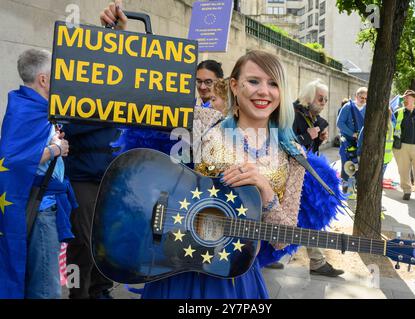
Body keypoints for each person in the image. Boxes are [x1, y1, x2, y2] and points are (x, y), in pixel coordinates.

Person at [100, 3, 344, 299]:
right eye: (253, 81)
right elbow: (147, 98)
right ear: (235, 85)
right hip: (177, 270)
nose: (263, 92)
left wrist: (265, 191)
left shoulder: (293, 156)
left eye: (273, 84)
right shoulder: (204, 121)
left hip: (234, 280)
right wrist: (120, 41)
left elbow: (283, 241)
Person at [0, 49, 76, 298]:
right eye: (56, 76)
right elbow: (14, 159)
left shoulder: (34, 107)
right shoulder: (27, 110)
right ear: (43, 80)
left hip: (45, 205)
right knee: (46, 288)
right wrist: (55, 149)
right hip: (41, 210)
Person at [289, 79, 344, 277]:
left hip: (303, 175)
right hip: (288, 174)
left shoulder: (312, 117)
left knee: (309, 214)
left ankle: (316, 260)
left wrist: (317, 139)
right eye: (321, 98)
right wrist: (307, 136)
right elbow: (285, 143)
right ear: (309, 96)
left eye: (326, 99)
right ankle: (316, 261)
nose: (324, 102)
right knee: (306, 214)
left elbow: (308, 150)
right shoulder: (291, 114)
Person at [63, 124, 121, 298]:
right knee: (82, 243)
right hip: (81, 178)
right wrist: (99, 115)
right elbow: (66, 129)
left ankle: (100, 289)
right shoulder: (76, 100)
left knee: (106, 241)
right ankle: (77, 292)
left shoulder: (123, 101)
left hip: (112, 178)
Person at [336, 87, 367, 194]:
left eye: (365, 98)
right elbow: (339, 123)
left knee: (360, 166)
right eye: (361, 97)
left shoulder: (368, 108)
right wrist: (352, 133)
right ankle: (346, 188)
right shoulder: (348, 107)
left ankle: (356, 187)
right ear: (356, 96)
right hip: (348, 142)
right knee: (347, 165)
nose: (363, 100)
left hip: (362, 143)